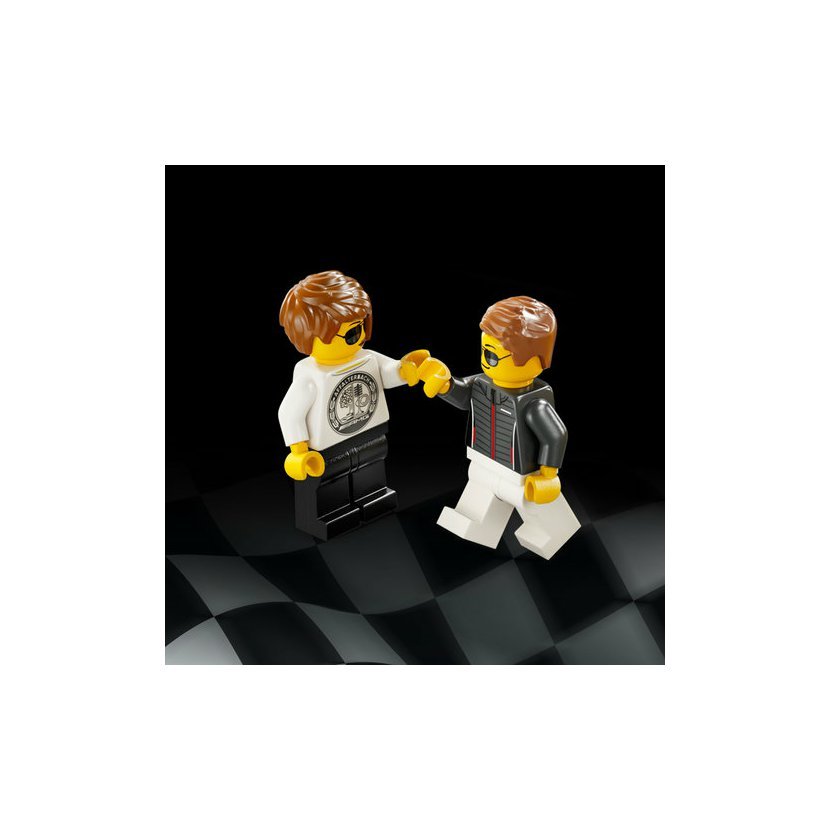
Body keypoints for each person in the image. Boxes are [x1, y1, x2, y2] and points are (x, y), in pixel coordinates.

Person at [415, 295, 580, 559]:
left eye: (492, 356)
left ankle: (554, 531)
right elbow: (463, 396)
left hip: (522, 476)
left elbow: (555, 434)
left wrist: (548, 474)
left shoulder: (533, 402)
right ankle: (476, 525)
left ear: (534, 360)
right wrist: (444, 384)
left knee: (532, 505)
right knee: (481, 490)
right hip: (483, 461)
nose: (486, 361)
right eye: (485, 351)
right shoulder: (481, 384)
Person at [277, 270, 429, 540]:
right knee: (328, 481)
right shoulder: (310, 375)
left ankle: (373, 498)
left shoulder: (367, 358)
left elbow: (388, 373)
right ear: (310, 337)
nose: (359, 338)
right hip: (327, 449)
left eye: (361, 327)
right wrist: (298, 450)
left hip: (371, 433)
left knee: (370, 467)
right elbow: (290, 412)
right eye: (351, 332)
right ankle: (328, 515)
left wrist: (407, 370)